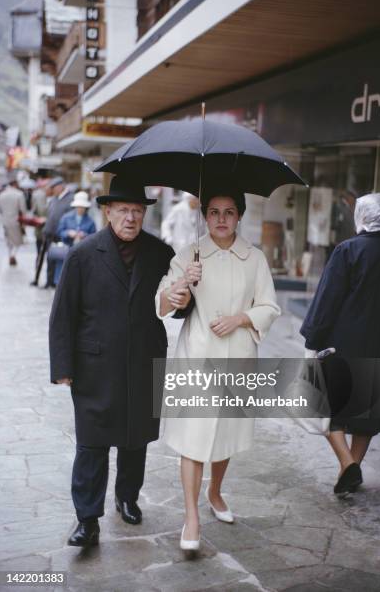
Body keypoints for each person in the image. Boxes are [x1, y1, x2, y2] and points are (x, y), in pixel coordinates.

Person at [49, 175, 191, 548]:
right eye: (123, 210)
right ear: (108, 212)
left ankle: (127, 497)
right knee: (92, 444)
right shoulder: (83, 254)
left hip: (143, 361)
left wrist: (184, 298)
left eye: (137, 211)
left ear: (144, 214)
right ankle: (87, 519)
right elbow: (63, 313)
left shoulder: (161, 253)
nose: (130, 217)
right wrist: (63, 367)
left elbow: (175, 310)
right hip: (95, 366)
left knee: (135, 439)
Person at [156, 188, 280, 551]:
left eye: (228, 212)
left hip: (238, 355)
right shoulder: (190, 255)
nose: (221, 219)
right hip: (197, 355)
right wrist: (183, 283)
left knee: (225, 433)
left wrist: (242, 318)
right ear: (205, 216)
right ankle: (191, 518)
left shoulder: (254, 258)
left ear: (239, 216)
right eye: (214, 212)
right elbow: (164, 302)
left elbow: (270, 306)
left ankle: (215, 490)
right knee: (192, 438)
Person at [300, 193, 380, 496]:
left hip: (343, 345)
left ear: (362, 216)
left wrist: (312, 338)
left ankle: (347, 464)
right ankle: (351, 467)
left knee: (331, 410)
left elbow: (327, 299)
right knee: (366, 415)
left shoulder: (348, 250)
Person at [54, 191, 96, 284]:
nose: (80, 209)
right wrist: (68, 233)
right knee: (63, 272)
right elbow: (59, 232)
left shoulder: (90, 221)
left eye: (82, 207)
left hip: (83, 251)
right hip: (67, 248)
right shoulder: (66, 217)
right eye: (79, 206)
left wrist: (84, 235)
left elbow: (94, 237)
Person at [41, 177, 73, 288]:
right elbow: (50, 215)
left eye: (53, 188)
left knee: (60, 259)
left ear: (60, 187)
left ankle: (57, 282)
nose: (52, 190)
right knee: (49, 258)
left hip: (61, 236)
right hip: (49, 234)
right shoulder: (54, 199)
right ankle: (49, 281)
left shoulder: (70, 199)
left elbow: (70, 218)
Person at [0, 176, 27, 266]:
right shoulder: (19, 194)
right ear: (15, 184)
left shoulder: (2, 194)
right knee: (17, 240)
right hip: (16, 221)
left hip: (5, 220)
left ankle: (10, 254)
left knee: (9, 240)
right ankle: (13, 255)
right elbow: (23, 209)